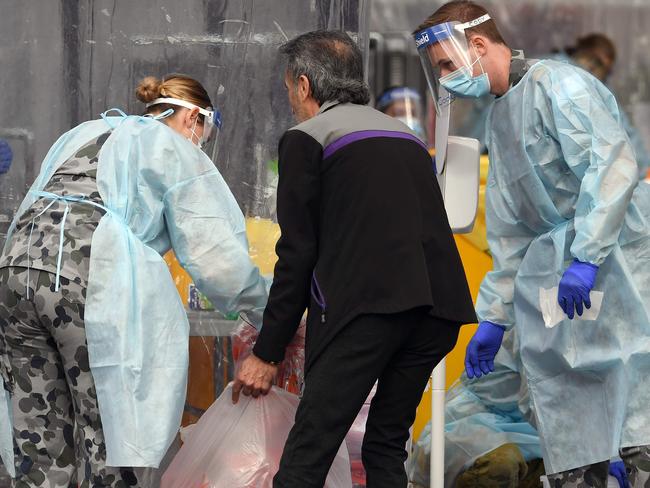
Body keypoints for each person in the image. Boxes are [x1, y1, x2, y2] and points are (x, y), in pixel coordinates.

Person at [414, 1, 650, 487]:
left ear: (477, 44)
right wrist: (495, 318)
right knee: (575, 410)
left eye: (446, 64)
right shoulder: (501, 118)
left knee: (635, 400)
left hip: (619, 266)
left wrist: (586, 258)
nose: (444, 79)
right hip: (566, 283)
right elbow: (511, 232)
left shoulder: (558, 86)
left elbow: (612, 169)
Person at [232, 30, 477, 488]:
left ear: (304, 85)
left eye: (289, 90)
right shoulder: (404, 136)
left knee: (310, 450)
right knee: (385, 443)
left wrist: (268, 352)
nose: (290, 101)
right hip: (439, 312)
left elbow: (297, 255)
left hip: (368, 309)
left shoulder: (307, 138)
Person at [0, 74, 270, 486]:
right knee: (110, 433)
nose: (201, 144)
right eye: (205, 134)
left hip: (14, 275)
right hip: (86, 280)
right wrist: (270, 310)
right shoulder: (172, 147)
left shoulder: (86, 131)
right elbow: (215, 258)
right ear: (193, 118)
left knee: (39, 437)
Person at [552, 33, 650, 180]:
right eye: (601, 66)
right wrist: (643, 168)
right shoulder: (571, 75)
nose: (602, 74)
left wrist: (644, 167)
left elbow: (620, 126)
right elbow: (619, 126)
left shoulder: (547, 65)